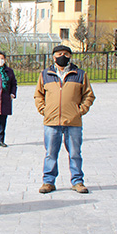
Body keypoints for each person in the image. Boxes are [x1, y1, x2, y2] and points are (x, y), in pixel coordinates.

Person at [34, 45, 95, 194]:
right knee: (50, 153)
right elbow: (38, 95)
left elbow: (89, 95)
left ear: (70, 56)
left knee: (75, 153)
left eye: (66, 54)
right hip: (51, 122)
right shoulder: (45, 74)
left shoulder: (80, 74)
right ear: (53, 57)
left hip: (73, 121)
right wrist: (44, 110)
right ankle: (48, 182)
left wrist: (80, 111)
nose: (63, 56)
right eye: (60, 54)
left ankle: (77, 181)